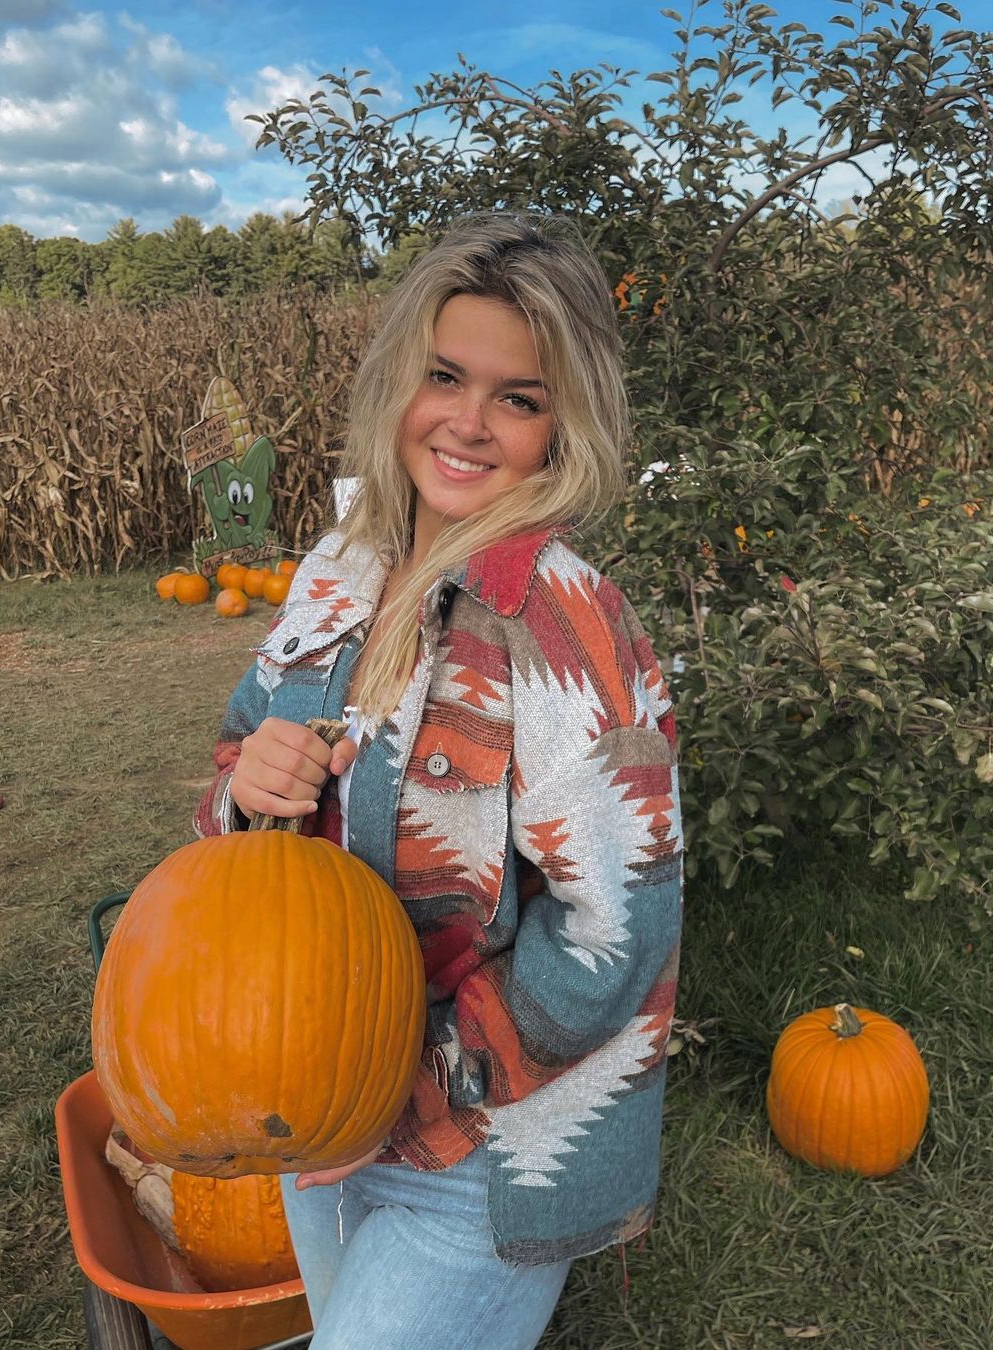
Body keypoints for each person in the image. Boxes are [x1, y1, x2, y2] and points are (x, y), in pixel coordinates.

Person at [194, 212, 683, 1350]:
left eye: (519, 397)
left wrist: (392, 1091)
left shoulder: (567, 625)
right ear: (399, 380)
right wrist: (244, 791)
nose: (468, 424)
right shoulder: (338, 566)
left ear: (567, 421)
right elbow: (236, 758)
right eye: (445, 376)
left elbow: (613, 940)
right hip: (307, 1110)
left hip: (479, 1157)